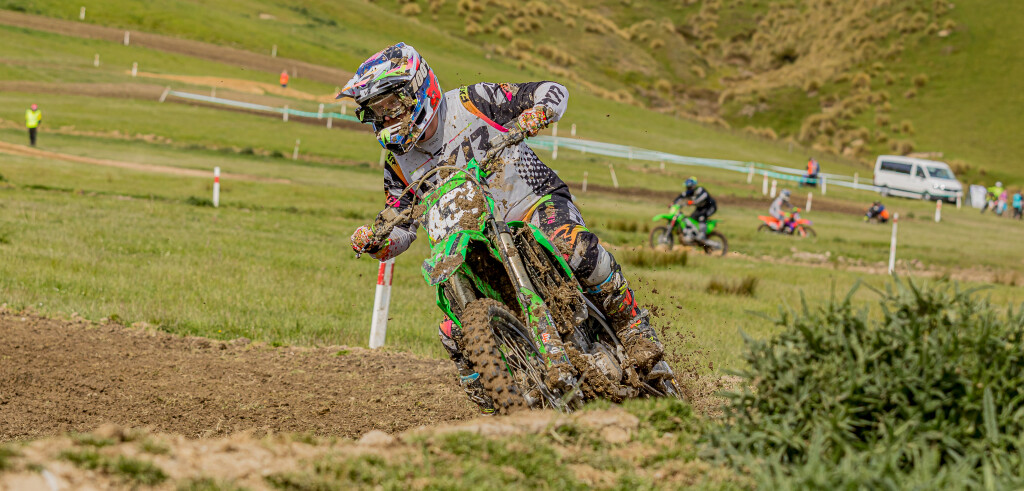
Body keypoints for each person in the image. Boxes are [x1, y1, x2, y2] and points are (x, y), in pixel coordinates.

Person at [341, 43, 664, 413]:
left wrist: (539, 112)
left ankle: (632, 325)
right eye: (376, 113)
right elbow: (402, 222)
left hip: (530, 204)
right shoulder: (397, 163)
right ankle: (495, 396)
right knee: (453, 330)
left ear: (418, 89)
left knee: (573, 246)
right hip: (468, 241)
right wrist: (377, 242)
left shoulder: (471, 101)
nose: (387, 119)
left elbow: (551, 90)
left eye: (392, 107)